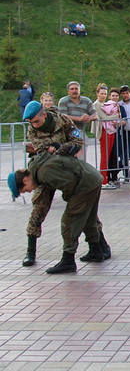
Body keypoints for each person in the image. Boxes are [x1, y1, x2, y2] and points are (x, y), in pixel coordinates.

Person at [8, 145, 110, 274]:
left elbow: (69, 184)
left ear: (24, 180)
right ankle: (96, 251)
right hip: (91, 178)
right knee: (89, 218)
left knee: (69, 221)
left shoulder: (43, 172)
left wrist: (70, 200)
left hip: (84, 184)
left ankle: (68, 261)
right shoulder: (40, 168)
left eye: (24, 190)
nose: (29, 191)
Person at [18, 101, 88, 267]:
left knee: (80, 205)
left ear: (44, 114)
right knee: (38, 209)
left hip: (66, 171)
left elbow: (77, 141)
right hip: (45, 172)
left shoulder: (62, 120)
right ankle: (30, 251)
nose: (34, 125)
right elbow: (40, 149)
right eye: (31, 123)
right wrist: (53, 148)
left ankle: (98, 244)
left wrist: (60, 148)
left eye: (36, 121)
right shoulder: (32, 129)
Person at [92, 85, 123, 188]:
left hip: (110, 130)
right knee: (104, 156)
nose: (103, 95)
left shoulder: (105, 103)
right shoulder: (96, 104)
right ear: (97, 94)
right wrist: (116, 116)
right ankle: (103, 181)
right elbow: (104, 117)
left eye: (105, 94)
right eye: (101, 93)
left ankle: (106, 179)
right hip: (103, 131)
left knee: (108, 156)